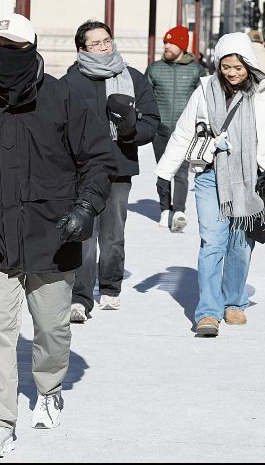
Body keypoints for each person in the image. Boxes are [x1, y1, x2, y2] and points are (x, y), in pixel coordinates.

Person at [0, 13, 116, 458]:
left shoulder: (64, 99)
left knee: (51, 329)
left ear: (31, 51)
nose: (5, 56)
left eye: (14, 48)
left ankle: (49, 388)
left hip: (53, 234)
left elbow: (97, 160)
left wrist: (86, 207)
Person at [155, 32, 265, 337]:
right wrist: (164, 172)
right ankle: (208, 312)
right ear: (218, 64)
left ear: (248, 64)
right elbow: (184, 132)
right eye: (226, 67)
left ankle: (235, 300)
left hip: (253, 178)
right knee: (212, 241)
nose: (232, 73)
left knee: (240, 244)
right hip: (210, 175)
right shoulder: (204, 92)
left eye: (238, 67)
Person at [61, 20, 160, 323]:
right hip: (82, 169)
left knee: (113, 234)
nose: (104, 47)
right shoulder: (69, 83)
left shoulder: (134, 78)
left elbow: (152, 122)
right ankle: (80, 298)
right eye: (96, 43)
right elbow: (57, 126)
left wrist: (130, 130)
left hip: (119, 167)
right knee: (83, 234)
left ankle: (111, 287)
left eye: (107, 41)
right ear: (81, 49)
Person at [145, 25, 206, 233]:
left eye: (171, 43)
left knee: (181, 173)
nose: (167, 46)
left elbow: (204, 100)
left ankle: (179, 211)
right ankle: (164, 209)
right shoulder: (154, 69)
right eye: (165, 42)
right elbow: (146, 99)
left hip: (186, 132)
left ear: (182, 45)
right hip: (160, 130)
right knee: (163, 172)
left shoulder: (196, 71)